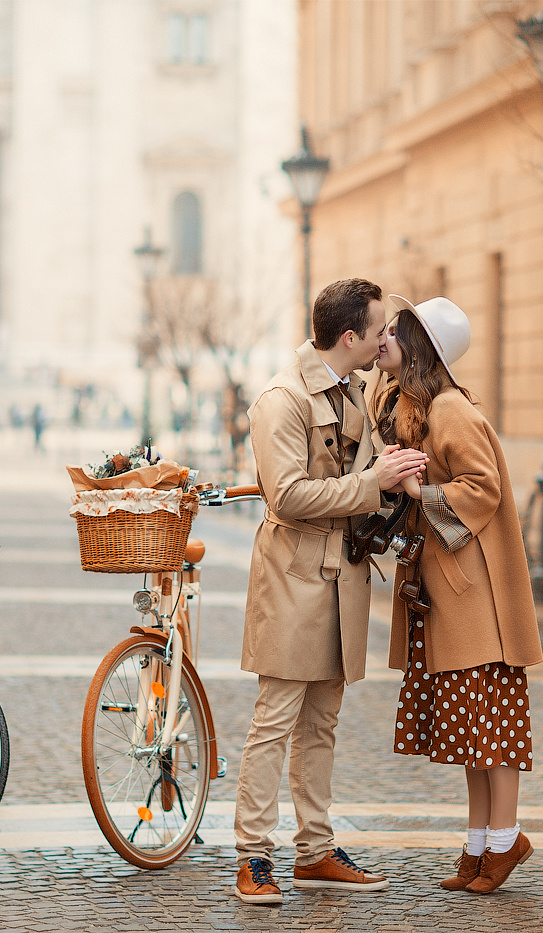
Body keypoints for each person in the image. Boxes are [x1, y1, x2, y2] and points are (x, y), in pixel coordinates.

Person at [232, 278, 428, 906]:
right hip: (293, 575)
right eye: (379, 331)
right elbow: (287, 495)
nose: (385, 340)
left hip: (342, 575)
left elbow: (368, 466)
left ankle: (314, 850)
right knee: (275, 719)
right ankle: (253, 855)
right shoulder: (281, 400)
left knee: (322, 723)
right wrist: (375, 482)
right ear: (350, 337)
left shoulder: (356, 391)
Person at [371, 295, 543, 895]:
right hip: (447, 591)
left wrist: (420, 494)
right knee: (470, 732)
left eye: (396, 331)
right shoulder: (412, 407)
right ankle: (477, 847)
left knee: (491, 729)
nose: (384, 336)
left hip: (476, 596)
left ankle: (505, 840)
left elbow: (482, 487)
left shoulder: (449, 410)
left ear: (420, 347)